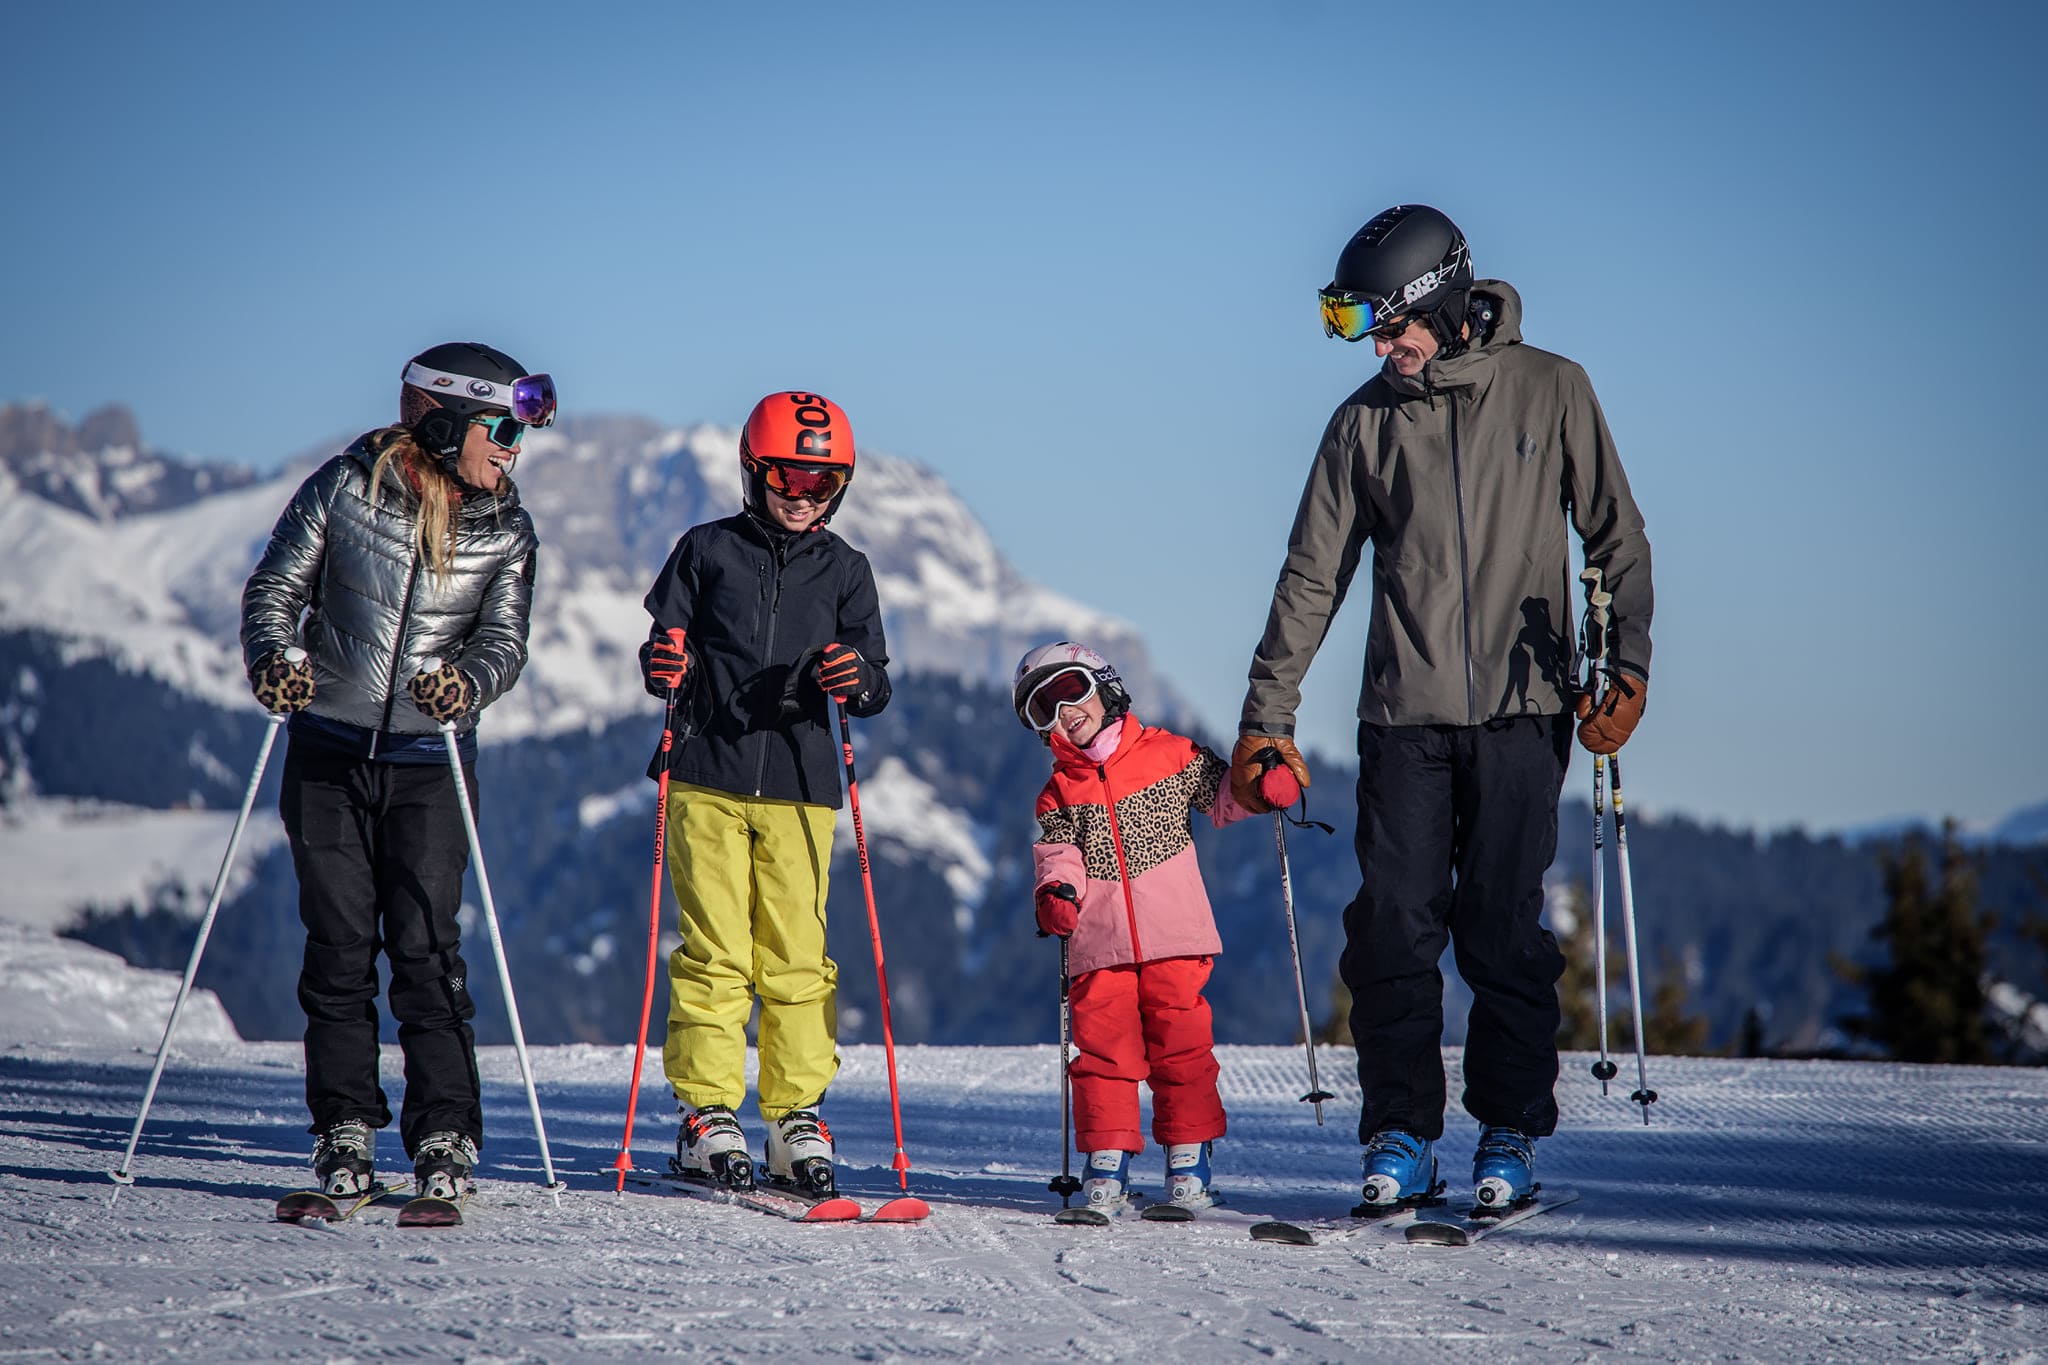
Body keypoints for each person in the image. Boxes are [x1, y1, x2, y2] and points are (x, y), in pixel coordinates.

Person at [1231, 204, 1654, 1212]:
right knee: (1391, 929)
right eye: (1369, 332)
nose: (1381, 348)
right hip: (1402, 719)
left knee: (1500, 930)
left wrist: (1626, 663)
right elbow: (1310, 577)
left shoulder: (1552, 388)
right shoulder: (1362, 423)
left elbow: (1616, 536)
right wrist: (1265, 718)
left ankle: (1508, 1132)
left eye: (1391, 326)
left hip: (1523, 707)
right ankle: (1402, 1136)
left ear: (1445, 303)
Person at [239, 341, 552, 1202]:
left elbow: (504, 641)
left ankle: (445, 1128)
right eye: (501, 430)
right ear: (446, 423)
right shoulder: (342, 490)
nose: (513, 449)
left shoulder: (508, 529)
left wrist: (466, 685)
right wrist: (272, 658)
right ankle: (344, 1122)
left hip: (430, 763)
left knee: (426, 947)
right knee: (338, 948)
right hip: (328, 753)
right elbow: (274, 590)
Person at [638, 390, 890, 1196]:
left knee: (796, 956)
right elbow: (664, 643)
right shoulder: (705, 549)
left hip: (801, 786)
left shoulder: (846, 569)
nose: (802, 494)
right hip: (706, 773)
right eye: (787, 476)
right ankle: (707, 1112)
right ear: (753, 470)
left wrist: (855, 677)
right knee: (714, 950)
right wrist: (664, 665)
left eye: (823, 482)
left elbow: (875, 680)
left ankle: (794, 1115)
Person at [1017, 641, 1299, 1213]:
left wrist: (1262, 788)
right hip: (1100, 945)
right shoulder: (1059, 791)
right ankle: (1106, 1162)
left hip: (1175, 937)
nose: (1064, 711)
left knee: (1182, 1049)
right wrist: (1056, 893)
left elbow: (1223, 797)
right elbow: (1058, 854)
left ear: (1105, 686)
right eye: (1044, 708)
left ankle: (1188, 1160)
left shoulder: (1170, 753)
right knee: (1103, 1053)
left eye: (1070, 690)